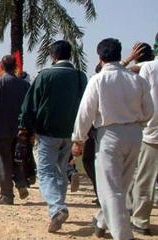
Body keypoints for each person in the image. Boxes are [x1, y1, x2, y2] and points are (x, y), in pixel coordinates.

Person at [72, 38, 153, 240]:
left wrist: (78, 139)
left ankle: (123, 236)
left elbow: (85, 113)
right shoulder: (137, 80)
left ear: (100, 58)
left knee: (111, 190)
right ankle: (101, 222)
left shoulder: (98, 80)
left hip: (109, 136)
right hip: (135, 134)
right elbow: (149, 111)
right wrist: (137, 123)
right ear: (119, 54)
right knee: (122, 186)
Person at [19, 40, 87, 232]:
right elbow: (86, 105)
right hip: (70, 132)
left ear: (53, 56)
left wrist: (25, 128)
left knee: (45, 171)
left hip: (47, 132)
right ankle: (59, 206)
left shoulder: (46, 75)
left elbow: (30, 104)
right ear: (70, 55)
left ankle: (57, 208)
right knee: (60, 170)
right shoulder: (81, 77)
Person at [0, 55, 30, 205]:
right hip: (20, 129)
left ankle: (6, 195)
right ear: (16, 67)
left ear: (1, 67)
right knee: (15, 157)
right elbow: (29, 108)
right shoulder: (25, 85)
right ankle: (21, 183)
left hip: (2, 129)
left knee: (4, 160)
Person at [130, 34, 158, 236]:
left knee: (145, 179)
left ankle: (140, 221)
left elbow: (139, 95)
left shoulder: (149, 68)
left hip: (153, 131)